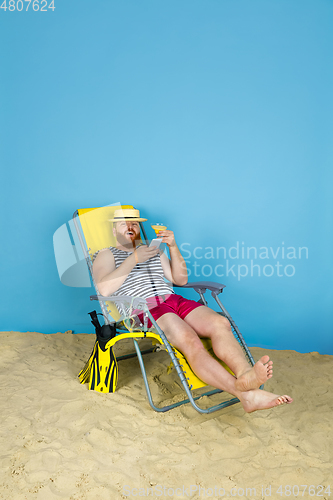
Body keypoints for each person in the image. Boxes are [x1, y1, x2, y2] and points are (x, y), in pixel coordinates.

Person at [93, 208, 293, 413]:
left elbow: (180, 280)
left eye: (134, 223)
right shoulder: (107, 254)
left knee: (220, 323)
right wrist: (133, 258)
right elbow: (104, 289)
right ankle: (243, 394)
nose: (130, 226)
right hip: (143, 309)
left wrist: (172, 246)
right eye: (123, 223)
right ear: (113, 228)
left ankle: (245, 374)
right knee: (189, 339)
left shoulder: (152, 250)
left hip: (173, 300)